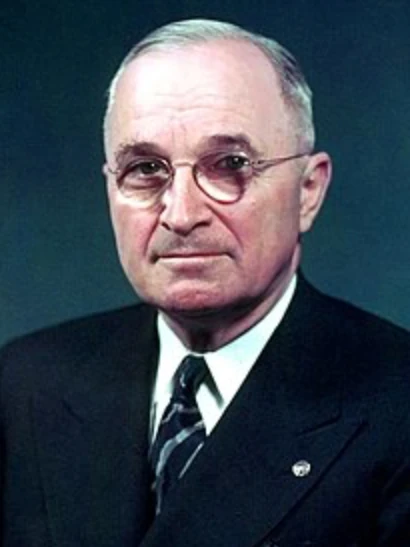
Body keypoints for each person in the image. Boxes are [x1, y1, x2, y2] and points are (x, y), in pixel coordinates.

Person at [1, 18, 410, 547]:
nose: (181, 214)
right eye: (145, 169)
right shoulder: (24, 387)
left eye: (229, 165)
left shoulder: (397, 406)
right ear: (110, 188)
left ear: (308, 191)